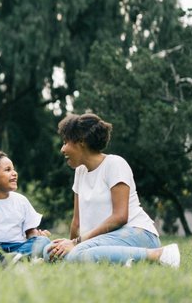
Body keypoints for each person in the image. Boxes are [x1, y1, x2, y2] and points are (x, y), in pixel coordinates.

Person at [45, 113, 180, 268]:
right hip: (103, 240)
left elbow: (120, 217)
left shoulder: (115, 164)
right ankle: (124, 261)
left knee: (78, 255)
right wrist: (68, 245)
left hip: (136, 233)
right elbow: (76, 222)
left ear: (81, 141)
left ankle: (158, 254)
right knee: (49, 252)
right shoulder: (80, 172)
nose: (62, 149)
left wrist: (76, 244)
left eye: (65, 142)